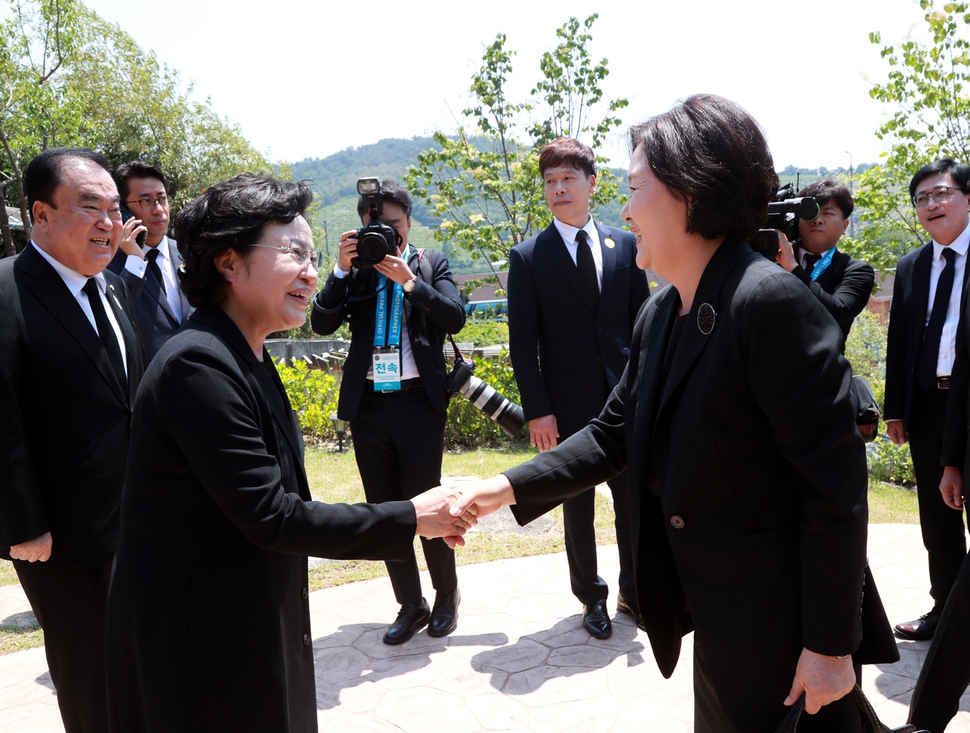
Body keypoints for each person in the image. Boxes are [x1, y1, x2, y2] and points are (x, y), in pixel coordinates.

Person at [447, 95, 894, 731]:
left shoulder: (769, 303)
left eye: (633, 188)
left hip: (781, 623)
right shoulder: (663, 311)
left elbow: (836, 488)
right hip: (717, 613)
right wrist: (498, 488)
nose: (623, 211)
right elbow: (611, 433)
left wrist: (830, 646)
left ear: (690, 191)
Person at [104, 174, 471, 732]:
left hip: (252, 620)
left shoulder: (242, 353)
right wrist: (411, 516)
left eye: (314, 254)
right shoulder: (196, 366)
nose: (309, 271)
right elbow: (272, 514)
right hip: (203, 648)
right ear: (229, 263)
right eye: (293, 252)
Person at [0, 147, 144, 733]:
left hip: (135, 519)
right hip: (60, 537)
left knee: (137, 662)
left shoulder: (110, 287)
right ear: (41, 214)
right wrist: (23, 524)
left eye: (114, 208)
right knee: (89, 678)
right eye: (91, 207)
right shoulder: (6, 293)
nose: (109, 222)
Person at [311, 179, 466, 645]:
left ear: (409, 225)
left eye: (394, 227)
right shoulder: (356, 272)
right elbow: (321, 322)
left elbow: (455, 317)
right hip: (370, 406)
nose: (385, 236)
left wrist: (410, 282)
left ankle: (446, 595)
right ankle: (409, 603)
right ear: (360, 228)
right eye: (374, 227)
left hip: (419, 403)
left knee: (430, 505)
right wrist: (339, 271)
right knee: (386, 509)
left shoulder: (430, 262)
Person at [507, 136, 649, 639]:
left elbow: (641, 326)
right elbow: (522, 344)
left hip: (625, 401)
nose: (558, 189)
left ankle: (635, 591)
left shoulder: (627, 244)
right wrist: (538, 410)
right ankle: (591, 597)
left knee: (633, 504)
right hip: (565, 409)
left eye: (568, 178)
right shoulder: (527, 257)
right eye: (549, 181)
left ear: (591, 183)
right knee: (578, 509)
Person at [884, 158, 970, 641]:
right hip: (928, 408)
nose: (932, 205)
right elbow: (901, 341)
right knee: (937, 519)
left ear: (967, 197)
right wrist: (896, 407)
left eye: (942, 193)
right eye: (922, 199)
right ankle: (947, 614)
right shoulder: (912, 266)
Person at [107, 161, 192, 363]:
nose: (158, 209)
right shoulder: (108, 263)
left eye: (161, 199)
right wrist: (135, 260)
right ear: (123, 210)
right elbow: (115, 316)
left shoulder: (189, 254)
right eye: (146, 201)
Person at [775, 179, 874, 350]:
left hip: (823, 373)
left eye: (828, 213)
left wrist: (792, 268)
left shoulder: (856, 270)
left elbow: (838, 312)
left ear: (845, 225)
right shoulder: (771, 257)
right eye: (810, 213)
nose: (817, 220)